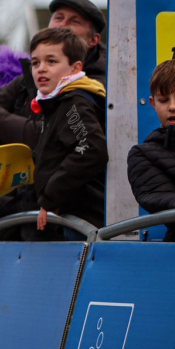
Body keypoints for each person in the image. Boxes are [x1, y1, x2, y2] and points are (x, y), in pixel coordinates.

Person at [0, 0, 106, 145]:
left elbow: (43, 135)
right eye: (58, 18)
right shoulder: (29, 77)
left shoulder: (99, 87)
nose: (62, 25)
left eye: (74, 21)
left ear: (94, 40)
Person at [16, 27, 108, 233]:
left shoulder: (74, 102)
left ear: (75, 69)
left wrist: (50, 196)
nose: (41, 69)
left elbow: (92, 149)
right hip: (66, 214)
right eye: (35, 63)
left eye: (51, 61)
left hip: (82, 219)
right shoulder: (56, 103)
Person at [128, 59, 175, 241]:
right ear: (153, 104)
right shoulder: (143, 153)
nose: (172, 107)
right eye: (163, 100)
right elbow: (155, 198)